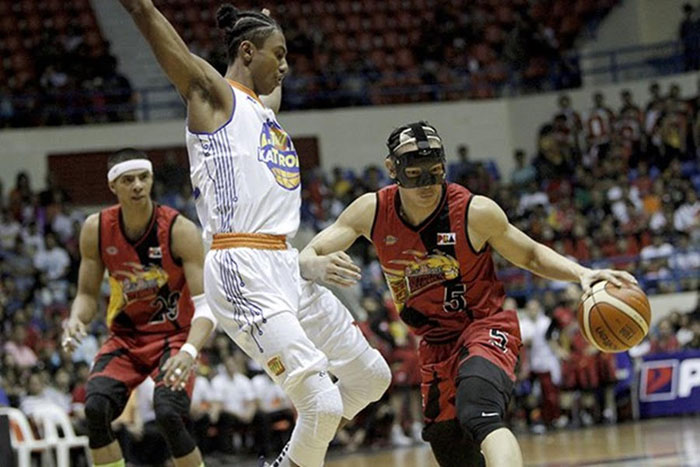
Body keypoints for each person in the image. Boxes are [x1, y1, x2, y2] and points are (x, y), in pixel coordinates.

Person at [116, 2, 391, 466]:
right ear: (246, 51)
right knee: (321, 404)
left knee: (372, 377)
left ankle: (304, 444)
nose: (285, 65)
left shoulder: (264, 111)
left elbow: (267, 75)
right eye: (277, 54)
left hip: (286, 264)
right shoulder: (213, 97)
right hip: (241, 265)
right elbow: (151, 23)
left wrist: (265, 23)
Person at [299, 121, 637, 467]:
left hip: (484, 327)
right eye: (414, 173)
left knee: (479, 412)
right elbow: (310, 253)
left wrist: (582, 272)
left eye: (434, 172)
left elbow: (531, 254)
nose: (427, 184)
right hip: (433, 342)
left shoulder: (475, 211)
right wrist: (315, 266)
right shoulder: (371, 210)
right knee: (450, 448)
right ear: (392, 169)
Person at [61, 149, 214, 467]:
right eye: (128, 180)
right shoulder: (97, 228)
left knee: (169, 414)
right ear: (113, 186)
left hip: (174, 337)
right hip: (127, 340)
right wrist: (76, 319)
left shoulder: (179, 229)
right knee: (95, 409)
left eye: (143, 178)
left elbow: (206, 306)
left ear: (151, 180)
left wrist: (189, 351)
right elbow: (87, 294)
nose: (137, 186)